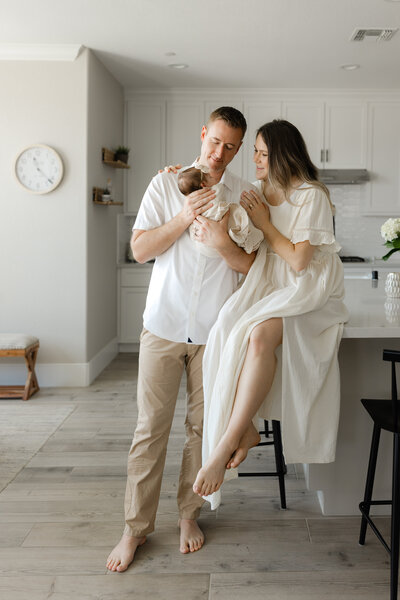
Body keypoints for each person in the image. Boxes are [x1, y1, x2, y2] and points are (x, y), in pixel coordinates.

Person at [106, 107, 257, 572]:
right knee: (149, 431)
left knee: (201, 433)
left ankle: (189, 516)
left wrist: (221, 240)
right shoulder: (164, 184)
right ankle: (135, 530)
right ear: (203, 134)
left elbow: (251, 268)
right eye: (215, 141)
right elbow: (139, 250)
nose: (220, 153)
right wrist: (182, 216)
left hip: (215, 335)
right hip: (163, 327)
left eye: (231, 146)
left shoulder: (243, 199)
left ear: (239, 149)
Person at [192, 119, 349, 510]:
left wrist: (263, 222)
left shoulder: (310, 194)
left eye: (262, 153)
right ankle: (244, 429)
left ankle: (230, 440)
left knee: (258, 334)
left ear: (281, 154)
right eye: (256, 153)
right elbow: (246, 235)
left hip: (306, 286)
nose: (256, 160)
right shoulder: (258, 190)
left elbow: (298, 260)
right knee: (227, 329)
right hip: (269, 281)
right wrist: (186, 181)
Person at [177, 164, 263, 257]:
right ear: (203, 185)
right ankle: (245, 240)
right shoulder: (213, 192)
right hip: (216, 242)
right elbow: (220, 189)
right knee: (235, 221)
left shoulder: (191, 202)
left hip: (201, 245)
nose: (212, 177)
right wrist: (217, 184)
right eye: (209, 177)